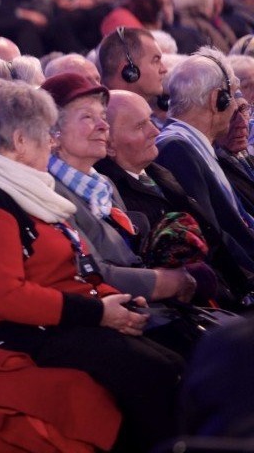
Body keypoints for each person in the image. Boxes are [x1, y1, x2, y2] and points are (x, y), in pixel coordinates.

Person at [0, 79, 183, 450]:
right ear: (19, 141)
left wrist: (116, 302)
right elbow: (5, 296)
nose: (52, 143)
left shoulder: (19, 190)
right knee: (156, 375)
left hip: (54, 325)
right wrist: (97, 312)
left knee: (174, 356)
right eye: (46, 134)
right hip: (18, 338)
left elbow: (71, 269)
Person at [42, 72, 197, 303]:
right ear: (54, 131)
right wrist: (167, 281)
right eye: (87, 117)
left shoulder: (105, 185)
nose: (103, 125)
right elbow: (91, 271)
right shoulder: (49, 193)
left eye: (103, 116)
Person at [96, 90, 254, 304]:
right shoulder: (112, 196)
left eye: (151, 120)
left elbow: (213, 234)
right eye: (140, 126)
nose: (154, 131)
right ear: (109, 144)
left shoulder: (159, 172)